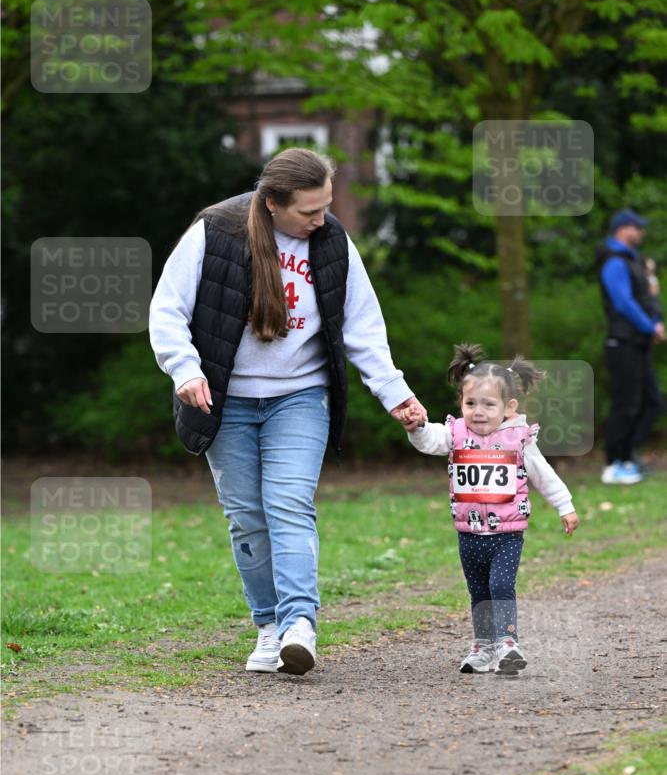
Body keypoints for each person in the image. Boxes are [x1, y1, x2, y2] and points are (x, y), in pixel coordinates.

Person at [149, 147, 426, 676]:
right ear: (273, 203)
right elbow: (167, 310)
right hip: (225, 399)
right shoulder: (216, 231)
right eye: (309, 211)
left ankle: (300, 624)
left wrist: (396, 393)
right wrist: (185, 370)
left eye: (326, 207)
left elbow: (363, 326)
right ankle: (269, 625)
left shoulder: (331, 242)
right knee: (247, 517)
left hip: (301, 395)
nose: (321, 220)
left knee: (288, 503)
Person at [398, 343, 578, 676]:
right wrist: (417, 428)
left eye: (488, 404)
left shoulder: (518, 438)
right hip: (468, 532)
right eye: (470, 403)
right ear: (460, 404)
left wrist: (564, 505)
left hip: (507, 533)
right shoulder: (455, 433)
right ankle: (482, 646)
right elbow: (430, 441)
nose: (478, 411)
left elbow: (543, 475)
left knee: (500, 585)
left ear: (509, 407)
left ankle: (508, 644)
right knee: (478, 591)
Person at [597, 208, 665, 485]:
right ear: (623, 229)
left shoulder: (634, 261)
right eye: (637, 227)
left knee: (652, 402)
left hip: (638, 344)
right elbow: (623, 302)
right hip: (622, 342)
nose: (641, 232)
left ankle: (628, 456)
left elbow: (649, 296)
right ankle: (614, 464)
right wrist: (651, 326)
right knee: (626, 405)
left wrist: (655, 320)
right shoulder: (614, 262)